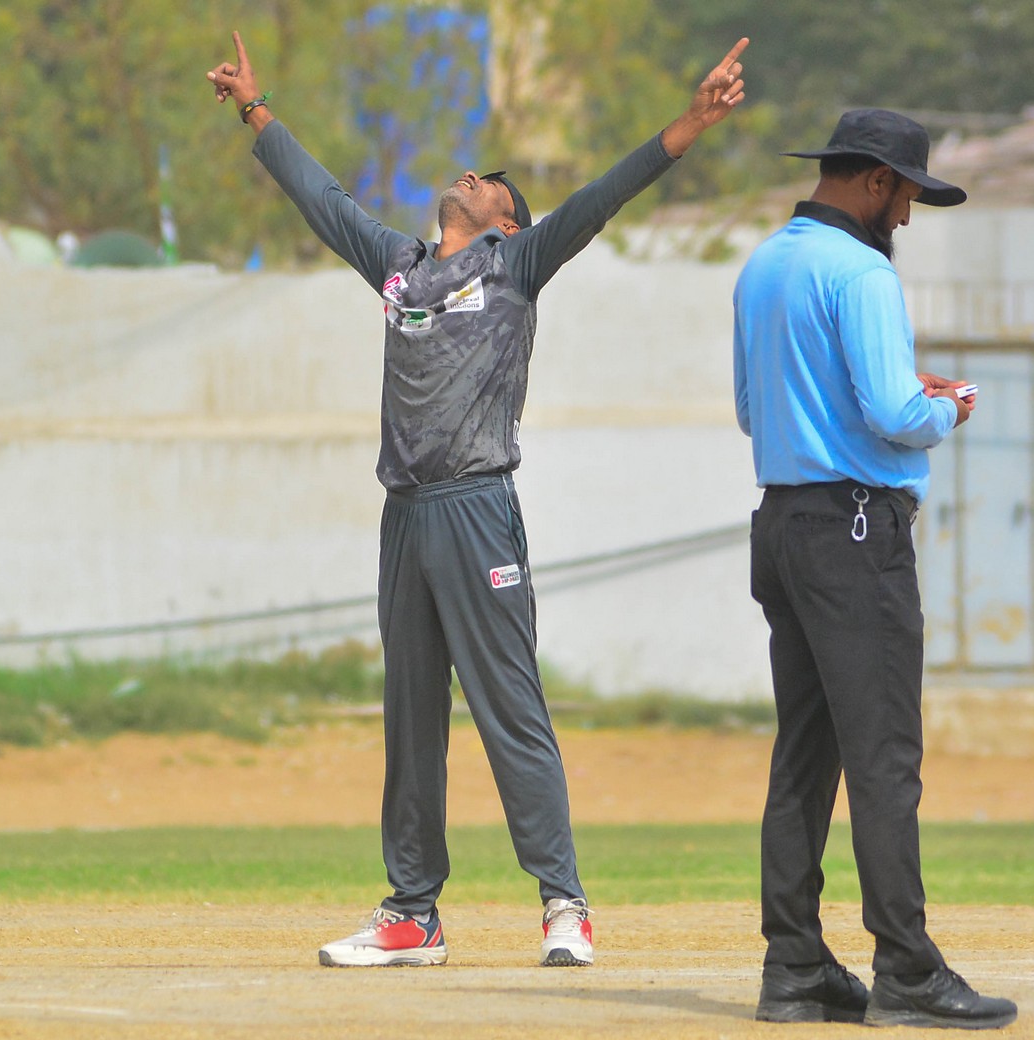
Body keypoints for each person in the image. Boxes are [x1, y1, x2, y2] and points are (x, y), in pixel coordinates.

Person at [207, 30, 748, 968]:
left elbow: (602, 196)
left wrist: (691, 124)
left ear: (507, 222)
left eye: (492, 181)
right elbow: (324, 200)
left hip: (476, 508)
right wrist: (257, 112)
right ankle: (412, 913)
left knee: (508, 707)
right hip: (406, 516)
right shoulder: (400, 266)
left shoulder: (515, 266)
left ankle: (564, 903)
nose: (472, 175)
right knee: (411, 715)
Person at [732, 108, 1018, 1028]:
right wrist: (947, 407)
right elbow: (894, 412)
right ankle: (906, 968)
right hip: (856, 531)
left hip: (782, 524)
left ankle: (794, 967)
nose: (905, 216)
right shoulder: (861, 271)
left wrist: (894, 398)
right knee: (885, 755)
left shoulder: (764, 264)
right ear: (874, 180)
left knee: (804, 753)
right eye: (905, 196)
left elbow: (754, 409)